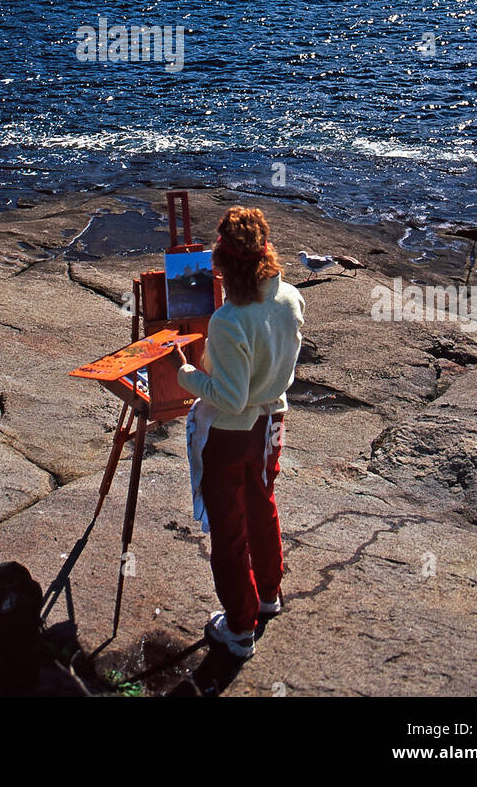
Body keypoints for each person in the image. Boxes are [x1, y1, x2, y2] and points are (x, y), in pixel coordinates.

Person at [168, 205, 304, 660]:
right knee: (262, 505)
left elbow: (228, 397)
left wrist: (185, 373)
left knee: (229, 532)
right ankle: (269, 594)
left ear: (221, 264)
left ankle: (240, 628)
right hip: (271, 423)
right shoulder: (289, 299)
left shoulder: (227, 322)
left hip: (230, 433)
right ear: (267, 252)